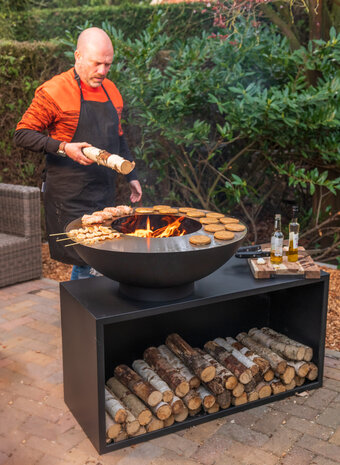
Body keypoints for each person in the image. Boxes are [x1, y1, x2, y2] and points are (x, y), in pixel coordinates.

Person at [14, 27, 142, 279]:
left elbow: (118, 137)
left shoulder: (112, 91)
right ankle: (85, 314)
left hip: (102, 190)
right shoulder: (54, 91)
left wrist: (131, 175)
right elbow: (22, 133)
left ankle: (98, 312)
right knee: (85, 259)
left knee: (103, 255)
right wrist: (62, 147)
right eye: (97, 64)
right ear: (78, 56)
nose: (102, 71)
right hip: (69, 195)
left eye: (108, 64)